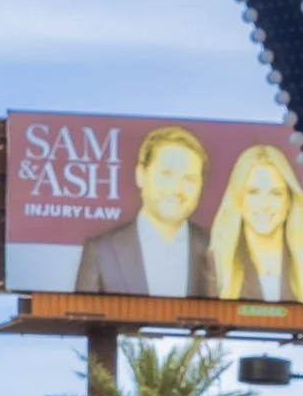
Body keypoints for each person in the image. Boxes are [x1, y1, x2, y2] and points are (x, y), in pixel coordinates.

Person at [73, 123, 213, 301]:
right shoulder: (101, 251)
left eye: (189, 179)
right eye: (167, 174)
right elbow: (85, 321)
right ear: (141, 175)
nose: (177, 188)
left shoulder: (217, 248)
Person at [208, 139, 303, 306]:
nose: (264, 205)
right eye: (253, 192)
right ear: (237, 199)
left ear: (289, 201)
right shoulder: (212, 263)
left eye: (275, 193)